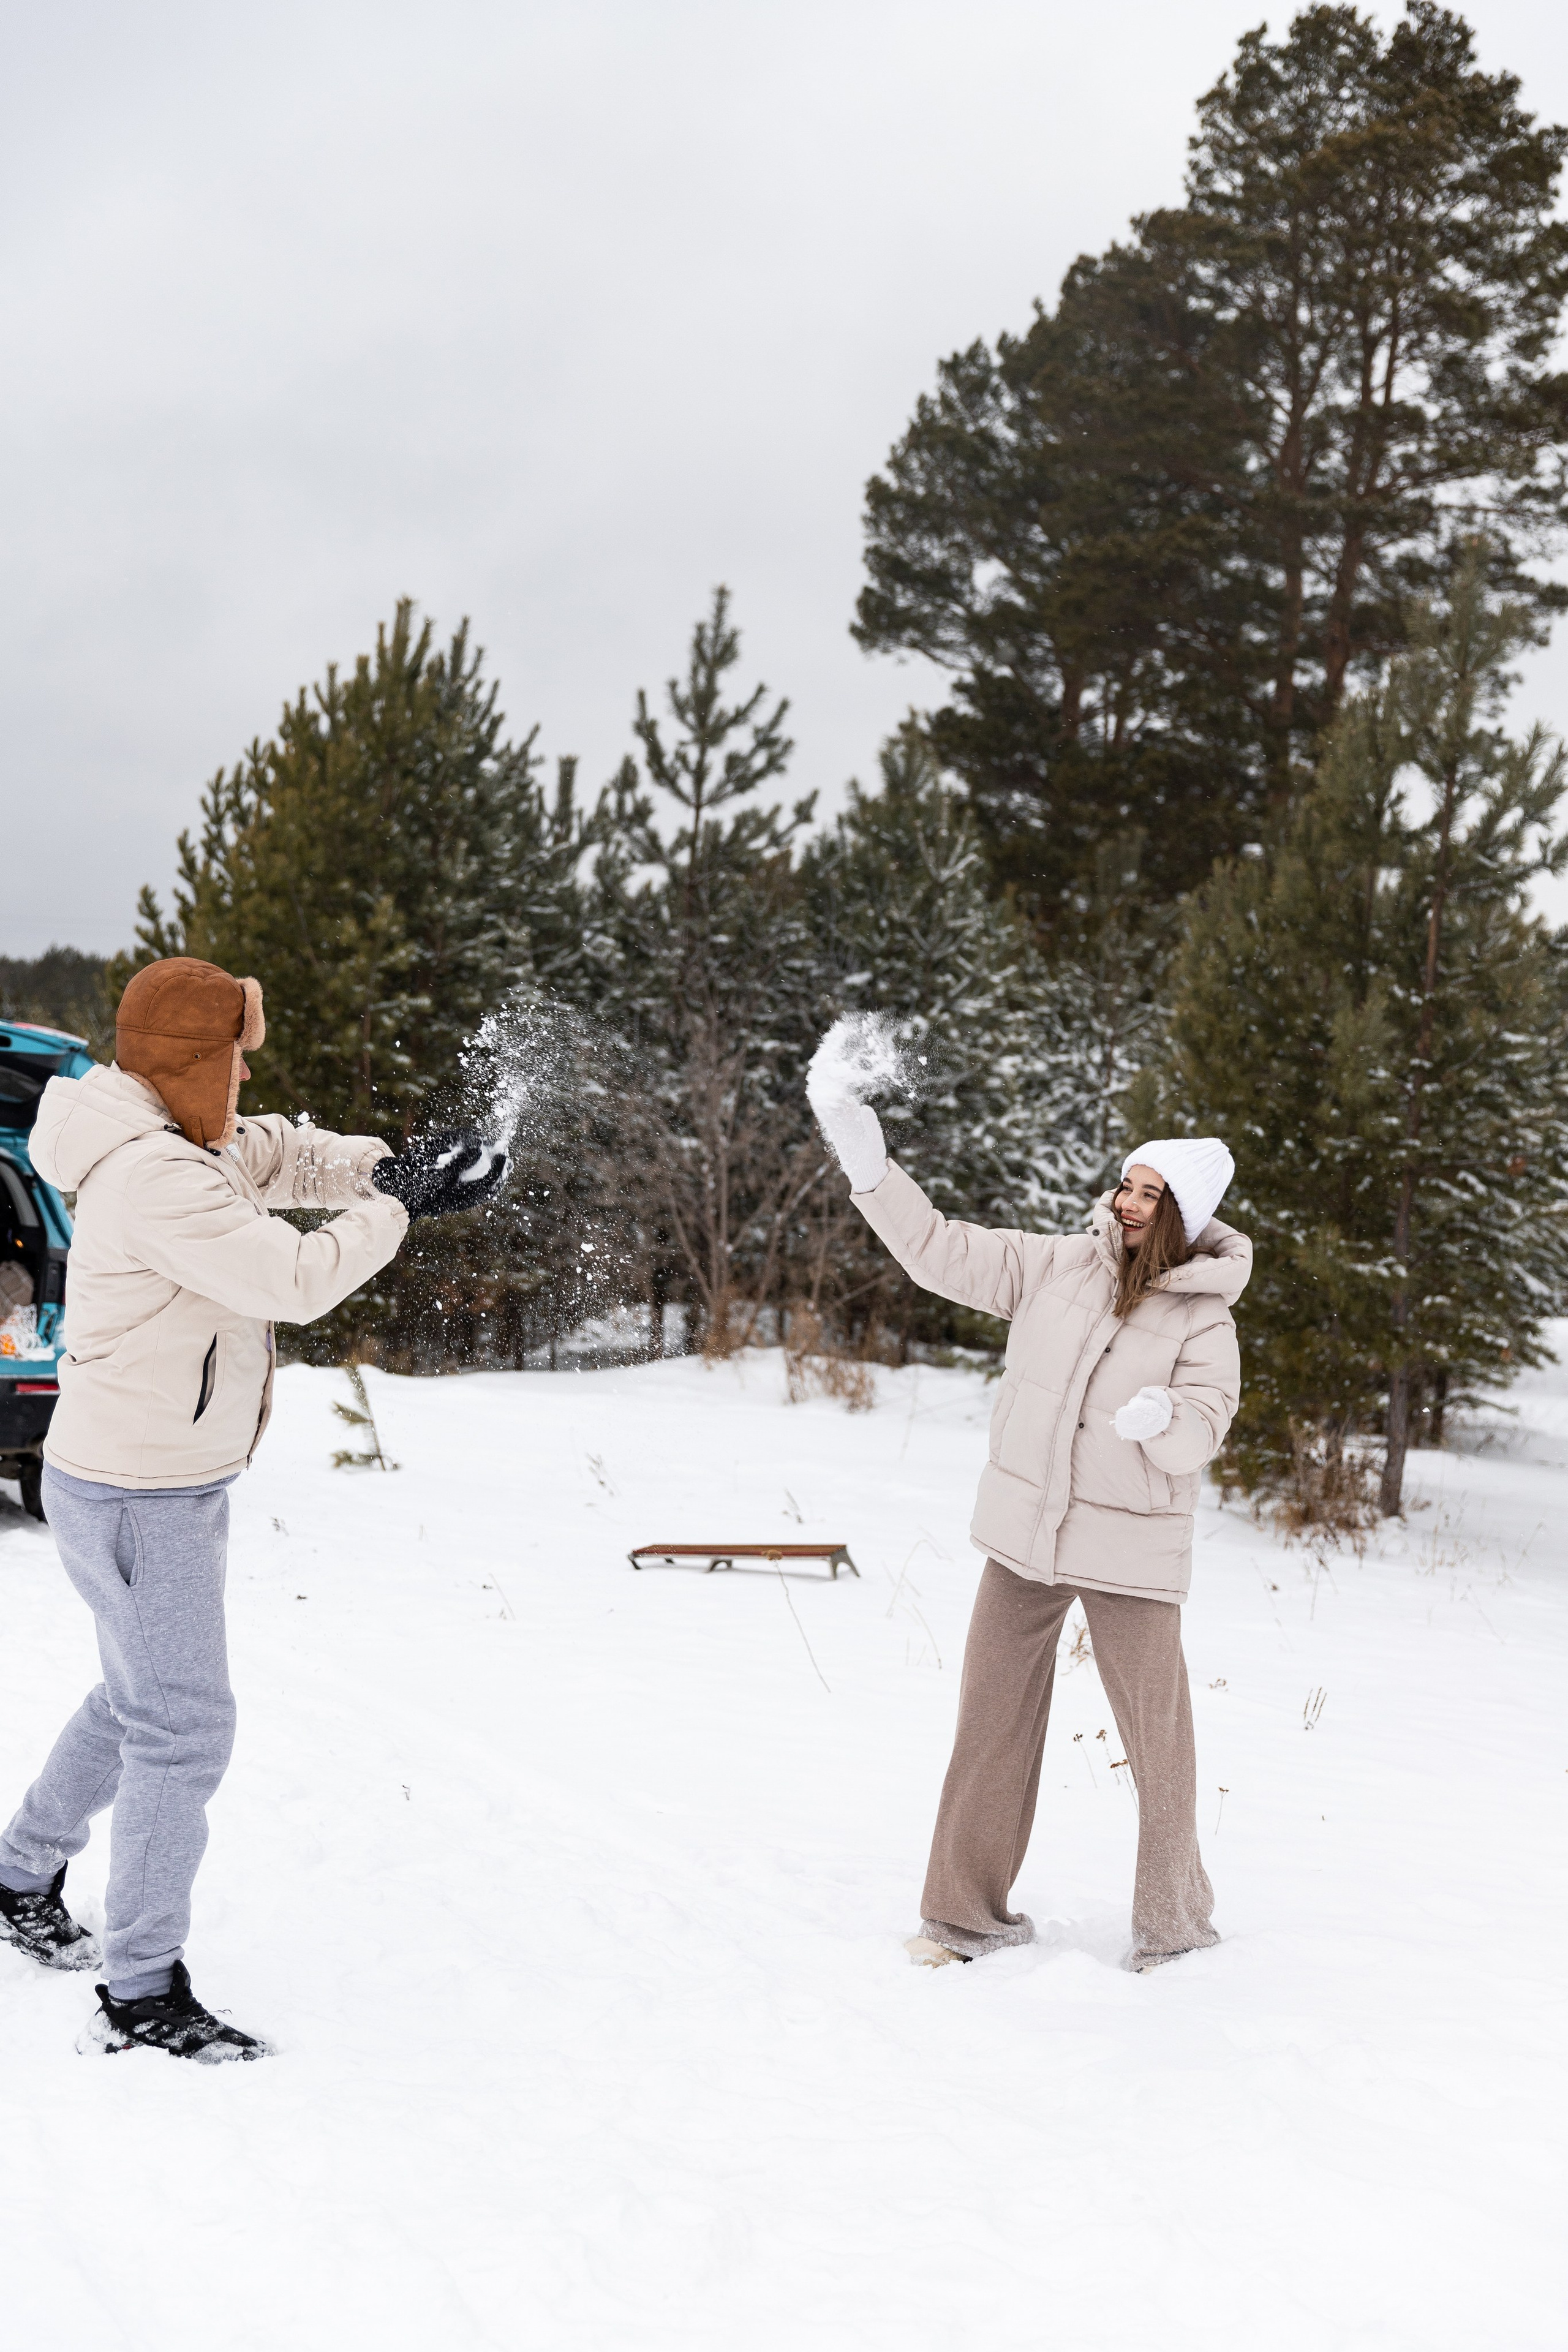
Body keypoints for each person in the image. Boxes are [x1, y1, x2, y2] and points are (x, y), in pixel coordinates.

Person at [0, 957, 505, 2059]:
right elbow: (295, 1279)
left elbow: (280, 1149)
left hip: (146, 1478)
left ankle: (17, 1873)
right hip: (139, 1493)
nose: (243, 1078)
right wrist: (400, 1209)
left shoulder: (183, 1134)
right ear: (190, 1061)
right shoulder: (153, 1176)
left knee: (137, 1696)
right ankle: (140, 1989)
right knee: (182, 1727)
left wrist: (386, 1165)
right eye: (232, 1058)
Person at [807, 1036, 1249, 1973]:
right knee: (990, 1722)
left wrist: (1165, 1420)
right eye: (1127, 1184)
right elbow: (940, 1252)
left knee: (1158, 1743)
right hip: (1026, 1538)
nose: (1129, 1203)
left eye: (1152, 1194)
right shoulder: (1059, 1267)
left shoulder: (1205, 1318)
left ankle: (1175, 1927)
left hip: (1130, 1550)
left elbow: (1204, 1429)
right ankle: (963, 1920)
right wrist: (870, 1167)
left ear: (1186, 1214)